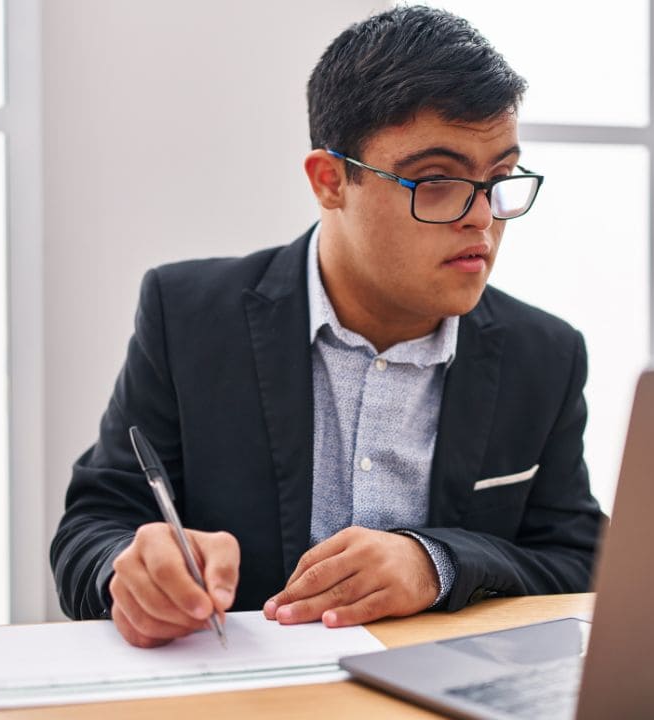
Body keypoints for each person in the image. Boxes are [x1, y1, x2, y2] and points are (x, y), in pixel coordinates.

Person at [50, 5, 605, 649]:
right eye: (436, 181)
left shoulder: (546, 354)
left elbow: (581, 561)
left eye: (500, 179)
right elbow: (93, 526)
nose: (482, 218)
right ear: (329, 180)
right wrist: (131, 571)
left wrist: (438, 564)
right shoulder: (188, 315)